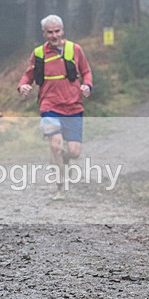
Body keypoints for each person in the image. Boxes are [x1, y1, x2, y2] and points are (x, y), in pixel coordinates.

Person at [17, 14, 92, 200]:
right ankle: (60, 187)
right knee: (55, 144)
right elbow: (28, 76)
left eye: (57, 31)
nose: (54, 35)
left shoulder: (75, 49)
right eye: (49, 32)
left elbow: (86, 72)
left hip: (73, 106)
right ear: (44, 33)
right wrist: (23, 86)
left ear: (62, 31)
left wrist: (87, 86)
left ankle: (66, 160)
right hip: (49, 105)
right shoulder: (39, 54)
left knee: (74, 152)